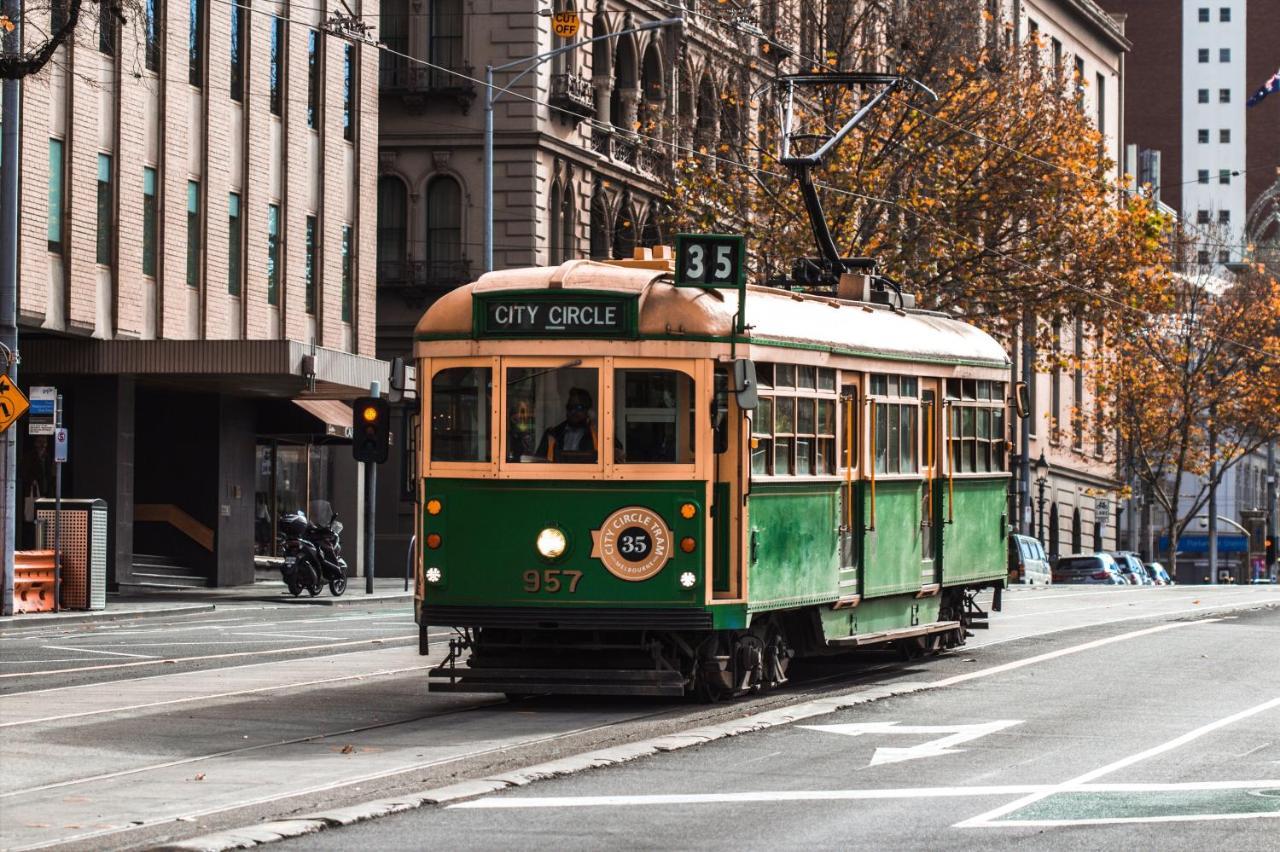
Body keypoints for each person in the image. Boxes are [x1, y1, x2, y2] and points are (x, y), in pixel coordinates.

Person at [536, 388, 597, 462]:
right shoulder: (552, 434)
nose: (573, 411)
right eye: (570, 407)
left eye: (579, 407)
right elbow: (538, 463)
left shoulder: (599, 436)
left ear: (588, 410)